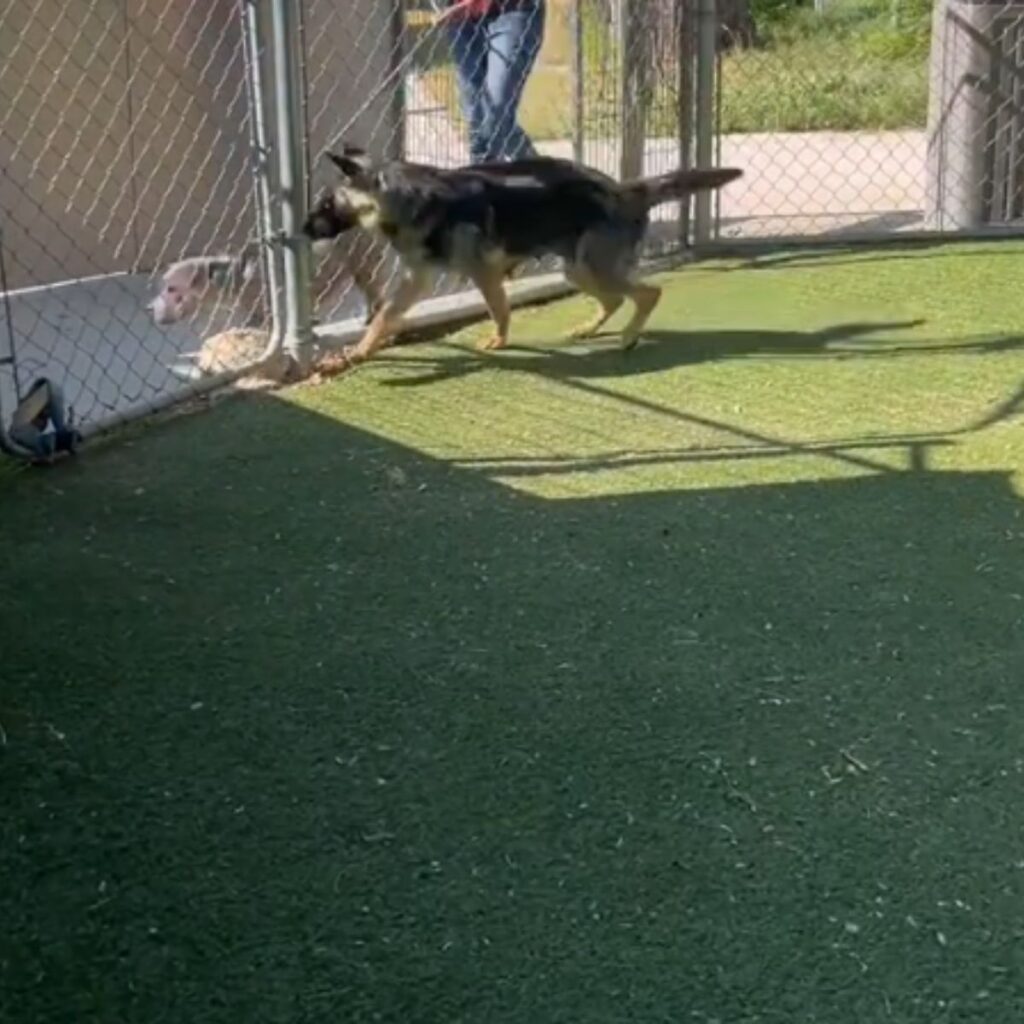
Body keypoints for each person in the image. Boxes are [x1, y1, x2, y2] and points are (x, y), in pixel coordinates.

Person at [441, 0, 546, 164]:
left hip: (512, 9)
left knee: (495, 111)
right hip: (461, 18)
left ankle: (487, 180)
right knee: (477, 116)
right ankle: (541, 172)